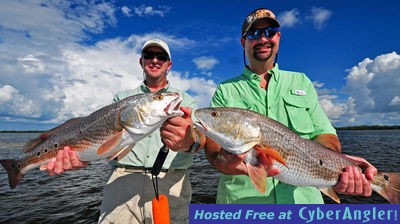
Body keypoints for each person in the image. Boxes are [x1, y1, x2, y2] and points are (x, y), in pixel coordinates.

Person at [204, 8, 378, 204]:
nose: (262, 39)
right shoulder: (225, 90)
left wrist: (337, 166)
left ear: (278, 37)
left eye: (269, 32)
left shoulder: (302, 82)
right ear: (244, 42)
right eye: (254, 34)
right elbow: (213, 151)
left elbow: (326, 134)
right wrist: (227, 163)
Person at [46, 39, 206, 223]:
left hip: (172, 183)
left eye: (161, 57)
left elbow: (201, 139)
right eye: (149, 56)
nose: (155, 60)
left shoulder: (184, 100)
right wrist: (83, 157)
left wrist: (190, 142)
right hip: (123, 180)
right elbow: (105, 145)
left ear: (169, 65)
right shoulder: (121, 99)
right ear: (141, 62)